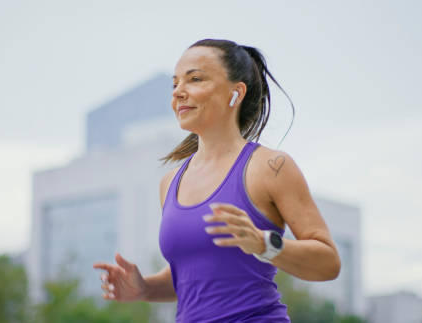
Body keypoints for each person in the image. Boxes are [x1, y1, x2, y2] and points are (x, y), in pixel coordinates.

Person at [93, 38, 341, 322]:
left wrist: (264, 244)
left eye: (195, 79)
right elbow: (195, 278)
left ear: (236, 93)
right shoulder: (171, 182)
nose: (179, 93)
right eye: (174, 85)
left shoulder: (271, 167)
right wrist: (145, 288)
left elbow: (328, 263)